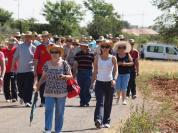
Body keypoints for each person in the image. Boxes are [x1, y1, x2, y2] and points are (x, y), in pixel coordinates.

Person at [36, 44, 72, 133]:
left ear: (59, 53)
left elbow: (71, 76)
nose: (54, 54)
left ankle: (58, 130)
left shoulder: (64, 63)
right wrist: (38, 85)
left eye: (56, 52)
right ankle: (48, 129)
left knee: (59, 112)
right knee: (48, 110)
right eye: (52, 52)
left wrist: (64, 76)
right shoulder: (47, 64)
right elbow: (43, 76)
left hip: (61, 92)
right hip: (48, 91)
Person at [92, 40, 118, 128]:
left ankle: (106, 121)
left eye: (107, 47)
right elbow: (95, 71)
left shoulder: (113, 58)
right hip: (99, 82)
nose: (105, 49)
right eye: (103, 47)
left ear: (110, 48)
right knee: (100, 102)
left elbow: (116, 70)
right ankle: (98, 120)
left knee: (108, 102)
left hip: (110, 83)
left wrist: (114, 79)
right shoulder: (97, 57)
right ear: (101, 48)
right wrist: (93, 82)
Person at [11, 31, 36, 107]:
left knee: (28, 87)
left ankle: (28, 101)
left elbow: (36, 59)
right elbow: (15, 57)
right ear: (24, 38)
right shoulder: (20, 47)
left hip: (30, 70)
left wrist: (36, 69)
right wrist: (12, 67)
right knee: (20, 86)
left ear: (31, 38)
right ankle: (21, 96)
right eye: (26, 37)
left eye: (29, 37)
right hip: (20, 70)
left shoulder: (34, 47)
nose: (27, 38)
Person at [73, 42, 94, 107]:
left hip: (89, 72)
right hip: (80, 72)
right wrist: (74, 73)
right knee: (81, 88)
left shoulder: (91, 54)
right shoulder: (78, 54)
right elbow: (75, 64)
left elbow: (94, 64)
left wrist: (94, 73)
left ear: (87, 47)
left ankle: (87, 100)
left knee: (87, 87)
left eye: (84, 46)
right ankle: (82, 101)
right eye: (81, 46)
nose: (82, 47)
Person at [34, 31, 52, 107]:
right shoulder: (39, 47)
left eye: (46, 36)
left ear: (48, 37)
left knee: (50, 85)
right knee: (42, 86)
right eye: (43, 36)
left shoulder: (53, 46)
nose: (45, 37)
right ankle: (43, 101)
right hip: (41, 70)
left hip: (52, 69)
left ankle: (50, 101)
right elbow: (36, 59)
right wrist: (35, 70)